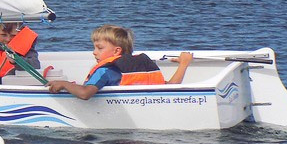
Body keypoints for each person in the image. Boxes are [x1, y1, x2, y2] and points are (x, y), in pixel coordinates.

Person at [46, 25, 193, 100]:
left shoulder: (106, 71)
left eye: (99, 48)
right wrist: (184, 64)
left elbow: (85, 94)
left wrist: (65, 84)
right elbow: (171, 88)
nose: (94, 52)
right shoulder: (139, 66)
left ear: (117, 51)